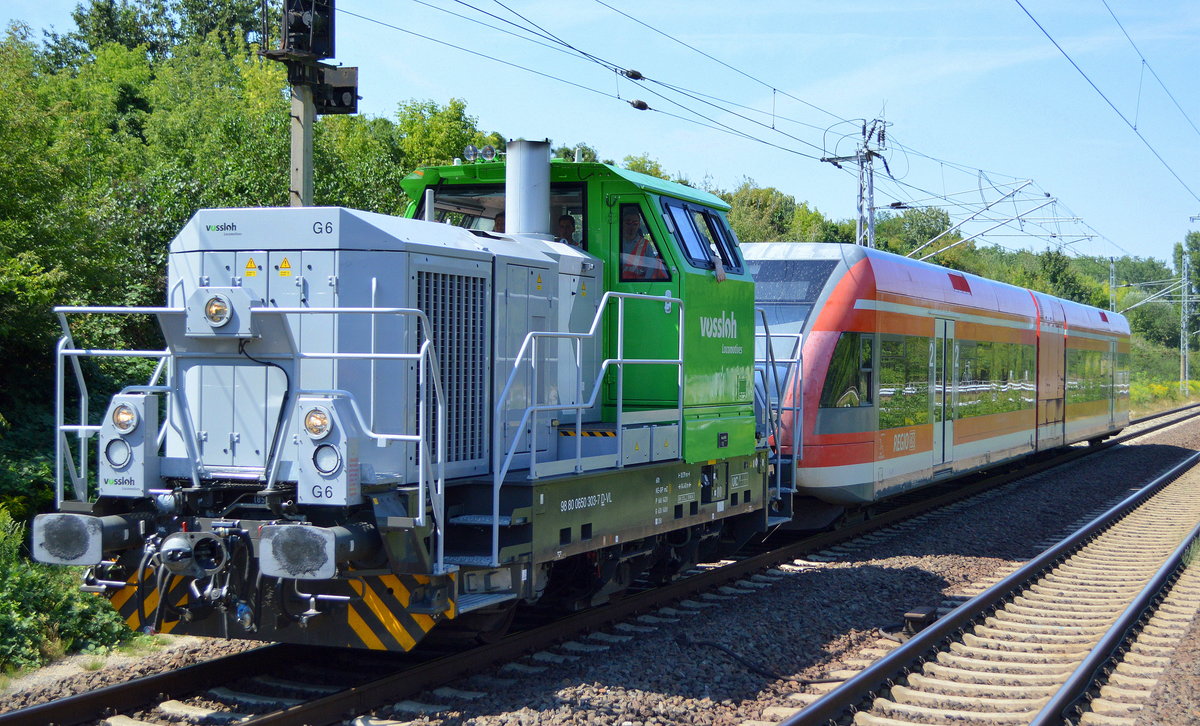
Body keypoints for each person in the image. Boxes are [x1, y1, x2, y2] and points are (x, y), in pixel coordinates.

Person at [620, 207, 668, 280]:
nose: (631, 227)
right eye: (628, 223)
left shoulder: (645, 244)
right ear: (622, 223)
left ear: (639, 225)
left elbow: (652, 267)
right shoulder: (614, 241)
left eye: (635, 224)